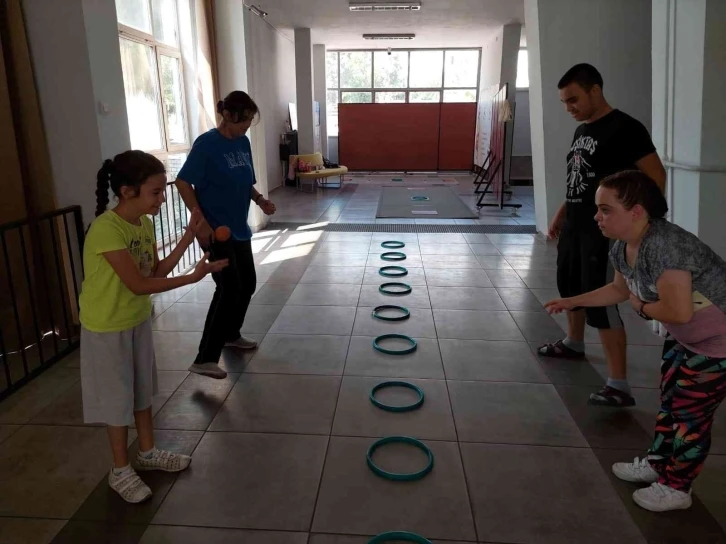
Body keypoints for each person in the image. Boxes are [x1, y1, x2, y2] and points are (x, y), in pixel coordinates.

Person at [545, 170, 726, 512]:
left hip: (717, 345)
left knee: (690, 415)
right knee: (670, 402)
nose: (597, 216)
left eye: (605, 209)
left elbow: (678, 311)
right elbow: (618, 289)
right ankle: (659, 464)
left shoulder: (667, 245)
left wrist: (641, 306)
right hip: (688, 339)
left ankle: (677, 488)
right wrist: (572, 301)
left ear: (637, 211)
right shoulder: (624, 246)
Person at [80, 151, 228, 503]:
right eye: (156, 192)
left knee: (142, 391)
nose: (162, 198)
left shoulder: (143, 224)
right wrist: (191, 278)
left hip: (136, 320)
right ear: (127, 191)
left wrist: (188, 238)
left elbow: (155, 271)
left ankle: (147, 453)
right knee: (117, 401)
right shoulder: (106, 229)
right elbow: (138, 284)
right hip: (107, 328)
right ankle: (120, 470)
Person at [539, 63, 667, 407]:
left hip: (605, 232)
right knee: (570, 286)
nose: (569, 108)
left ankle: (618, 384)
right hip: (576, 226)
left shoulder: (626, 128)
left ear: (595, 90)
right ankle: (573, 342)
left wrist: (636, 228)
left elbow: (656, 177)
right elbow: (580, 180)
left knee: (602, 301)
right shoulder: (582, 131)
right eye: (564, 102)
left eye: (573, 100)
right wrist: (562, 213)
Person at [175, 91, 276, 380]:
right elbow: (183, 182)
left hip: (238, 228)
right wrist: (201, 221)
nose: (247, 126)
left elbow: (245, 182)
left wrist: (260, 200)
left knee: (247, 283)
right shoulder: (207, 144)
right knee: (229, 288)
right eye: (243, 120)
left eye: (250, 121)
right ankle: (205, 358)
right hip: (215, 231)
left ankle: (231, 334)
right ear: (228, 115)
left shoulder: (243, 143)